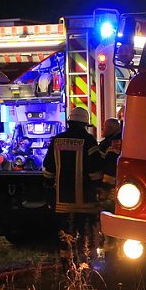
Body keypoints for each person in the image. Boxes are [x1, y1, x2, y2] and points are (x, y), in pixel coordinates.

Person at [42, 106, 103, 261]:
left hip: (62, 200)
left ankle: (66, 263)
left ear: (69, 122)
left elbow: (49, 168)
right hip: (86, 201)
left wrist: (50, 187)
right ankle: (85, 263)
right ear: (84, 124)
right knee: (85, 233)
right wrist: (100, 188)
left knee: (65, 232)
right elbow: (95, 170)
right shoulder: (89, 141)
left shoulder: (56, 140)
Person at [97, 117, 123, 211]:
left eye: (104, 127)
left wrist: (104, 189)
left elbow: (109, 166)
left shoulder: (110, 143)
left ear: (111, 129)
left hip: (109, 186)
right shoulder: (119, 140)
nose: (103, 129)